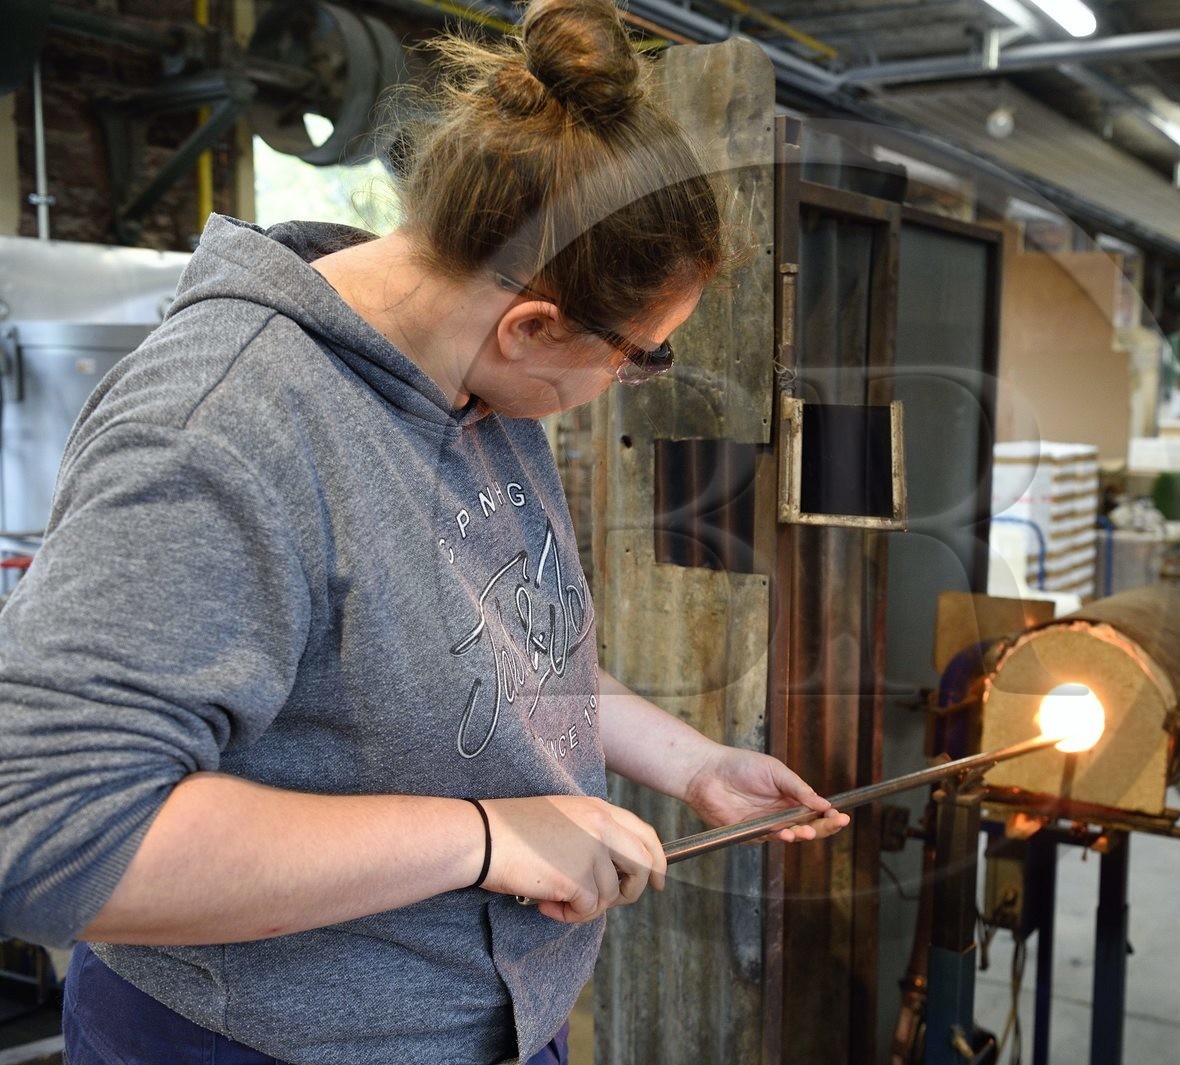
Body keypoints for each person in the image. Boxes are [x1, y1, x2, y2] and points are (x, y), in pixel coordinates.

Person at [0, 1, 846, 1061]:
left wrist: (696, 764)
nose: (627, 383)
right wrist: (487, 837)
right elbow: (49, 842)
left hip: (483, 1018)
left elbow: (504, 656)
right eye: (641, 355)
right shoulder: (217, 426)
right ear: (532, 325)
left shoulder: (472, 387)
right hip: (264, 1042)